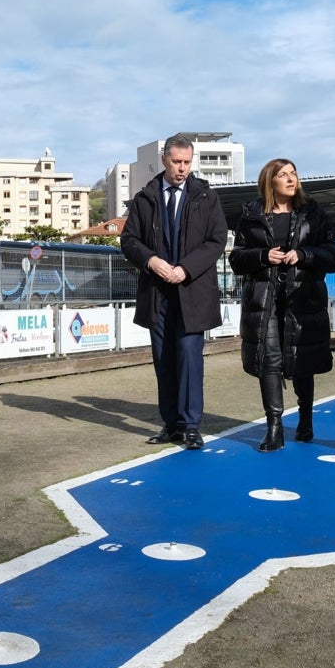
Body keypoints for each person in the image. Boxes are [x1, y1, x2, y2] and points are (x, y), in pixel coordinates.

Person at [121, 133, 228, 449]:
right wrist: (151, 261)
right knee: (163, 359)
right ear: (164, 159)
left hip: (193, 292)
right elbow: (129, 241)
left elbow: (216, 240)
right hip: (157, 294)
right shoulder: (145, 198)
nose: (182, 168)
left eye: (187, 162)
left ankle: (191, 425)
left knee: (189, 357)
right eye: (177, 162)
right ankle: (171, 425)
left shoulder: (207, 197)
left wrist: (186, 268)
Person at [229, 159, 335, 451]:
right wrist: (263, 256)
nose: (291, 179)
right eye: (283, 175)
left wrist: (303, 255)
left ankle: (305, 419)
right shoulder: (251, 215)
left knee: (301, 358)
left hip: (302, 298)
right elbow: (236, 259)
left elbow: (332, 256)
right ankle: (274, 427)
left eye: (294, 173)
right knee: (269, 360)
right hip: (263, 300)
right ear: (270, 181)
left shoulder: (313, 214)